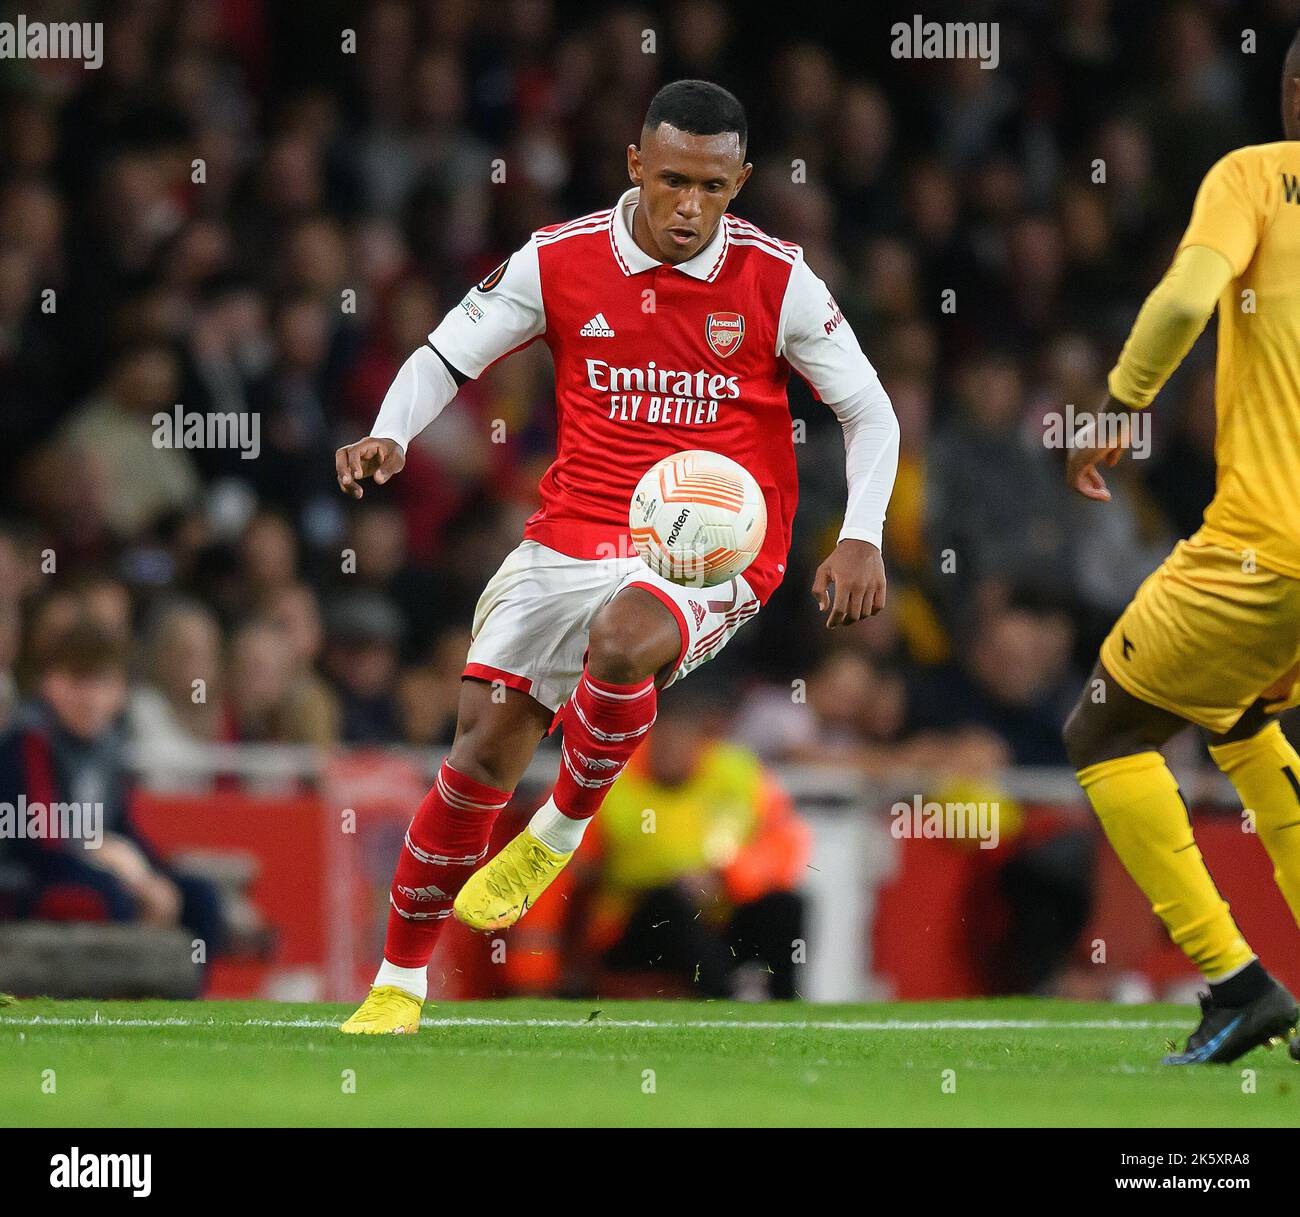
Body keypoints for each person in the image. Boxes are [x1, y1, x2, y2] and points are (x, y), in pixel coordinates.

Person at [334, 80, 899, 1033]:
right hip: (573, 528)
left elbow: (869, 408)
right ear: (635, 164)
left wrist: (861, 533)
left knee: (624, 638)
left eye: (714, 187)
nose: (691, 207)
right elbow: (444, 357)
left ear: (741, 181)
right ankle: (397, 982)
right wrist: (391, 432)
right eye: (673, 179)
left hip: (715, 536)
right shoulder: (559, 259)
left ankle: (558, 827)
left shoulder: (777, 280)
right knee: (477, 753)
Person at [1062, 35, 1300, 1063]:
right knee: (1238, 716)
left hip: (1267, 545)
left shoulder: (1253, 175)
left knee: (1103, 732)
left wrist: (1120, 403)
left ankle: (1236, 978)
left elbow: (1182, 300)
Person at [0, 619, 225, 966]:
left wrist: (155, 874)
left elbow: (120, 827)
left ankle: (181, 1010)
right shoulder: (30, 741)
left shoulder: (108, 746)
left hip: (86, 868)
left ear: (120, 691)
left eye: (101, 682)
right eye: (77, 681)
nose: (89, 697)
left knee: (200, 896)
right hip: (27, 880)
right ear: (49, 683)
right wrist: (129, 880)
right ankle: (108, 1011)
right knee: (111, 898)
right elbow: (40, 845)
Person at [575, 685, 809, 999]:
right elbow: (578, 867)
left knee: (786, 904)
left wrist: (727, 876)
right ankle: (720, 997)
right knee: (670, 903)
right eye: (662, 741)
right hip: (637, 921)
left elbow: (785, 844)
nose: (670, 751)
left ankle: (785, 1002)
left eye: (680, 741)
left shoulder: (738, 774)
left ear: (701, 742)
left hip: (721, 911)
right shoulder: (611, 782)